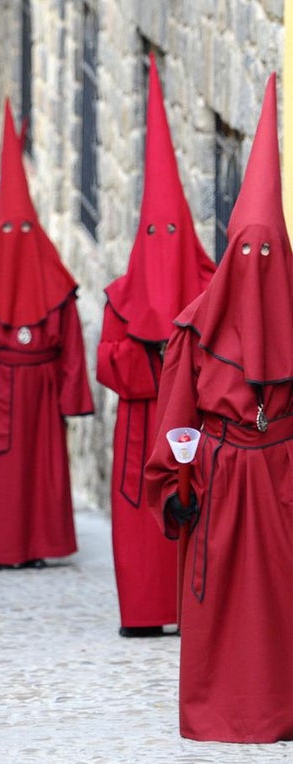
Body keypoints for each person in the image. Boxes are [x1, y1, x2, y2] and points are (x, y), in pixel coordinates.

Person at [145, 74, 293, 744]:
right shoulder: (193, 330)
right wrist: (170, 489)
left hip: (286, 474)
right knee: (229, 606)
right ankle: (228, 712)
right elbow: (175, 420)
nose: (258, 263)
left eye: (271, 252)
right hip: (225, 476)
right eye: (247, 251)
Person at [0, 102, 93, 569]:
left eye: (24, 229)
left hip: (41, 394)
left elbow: (70, 349)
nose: (16, 237)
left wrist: (70, 398)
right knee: (0, 475)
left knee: (37, 472)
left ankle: (37, 546)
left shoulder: (58, 287)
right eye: (7, 229)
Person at [98, 54, 214, 638]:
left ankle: (192, 610)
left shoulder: (213, 284)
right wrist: (155, 361)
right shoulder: (120, 295)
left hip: (191, 428)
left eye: (174, 233)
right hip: (141, 426)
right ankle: (143, 612)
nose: (164, 244)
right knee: (139, 517)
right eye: (154, 233)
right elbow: (107, 364)